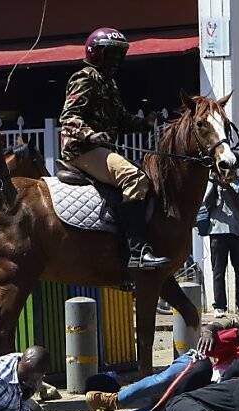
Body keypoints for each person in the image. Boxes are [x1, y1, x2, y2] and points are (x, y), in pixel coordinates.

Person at [58, 27, 167, 270]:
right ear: (96, 53)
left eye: (119, 55)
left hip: (100, 149)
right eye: (112, 54)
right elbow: (68, 118)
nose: (116, 60)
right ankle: (138, 252)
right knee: (134, 179)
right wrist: (91, 134)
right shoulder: (84, 77)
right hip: (82, 150)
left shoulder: (109, 83)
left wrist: (144, 123)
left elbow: (120, 119)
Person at [86, 301, 239, 411]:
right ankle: (117, 400)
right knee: (170, 376)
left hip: (212, 386)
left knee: (174, 410)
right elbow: (210, 346)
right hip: (197, 366)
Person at [204, 174, 239, 317]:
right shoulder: (211, 183)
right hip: (217, 231)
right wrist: (214, 185)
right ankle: (219, 306)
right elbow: (207, 204)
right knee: (218, 271)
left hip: (237, 232)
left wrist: (228, 187)